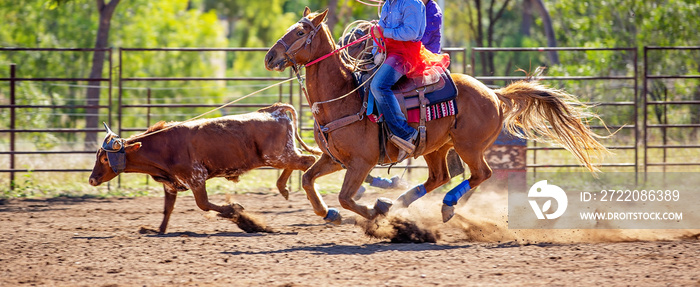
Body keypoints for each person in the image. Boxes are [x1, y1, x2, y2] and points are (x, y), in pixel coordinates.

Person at [370, 0, 449, 161]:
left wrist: (384, 32)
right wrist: (375, 51)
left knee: (378, 86)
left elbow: (411, 32)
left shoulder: (411, 3)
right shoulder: (388, 4)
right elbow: (380, 29)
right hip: (389, 52)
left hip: (405, 55)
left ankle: (405, 133)